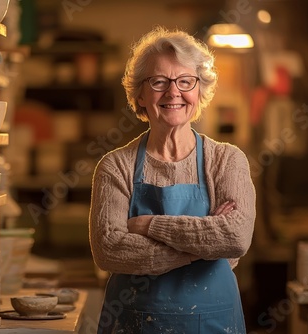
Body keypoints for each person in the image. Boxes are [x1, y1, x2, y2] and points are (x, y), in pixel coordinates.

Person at [88, 26, 256, 333]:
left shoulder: (228, 161)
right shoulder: (114, 167)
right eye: (159, 81)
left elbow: (236, 238)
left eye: (185, 81)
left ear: (200, 90)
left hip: (214, 322)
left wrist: (150, 226)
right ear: (139, 93)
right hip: (135, 321)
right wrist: (203, 247)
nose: (173, 92)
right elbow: (109, 249)